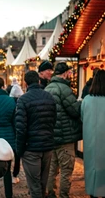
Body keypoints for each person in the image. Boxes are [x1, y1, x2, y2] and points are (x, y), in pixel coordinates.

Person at [15, 71, 56, 198]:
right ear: (38, 81)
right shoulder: (49, 97)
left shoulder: (23, 100)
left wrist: (19, 150)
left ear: (25, 83)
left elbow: (21, 128)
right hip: (47, 146)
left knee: (34, 186)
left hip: (31, 148)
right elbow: (54, 121)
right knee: (42, 184)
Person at [45, 62, 82, 198]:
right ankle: (64, 195)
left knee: (52, 169)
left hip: (51, 136)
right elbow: (74, 110)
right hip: (65, 137)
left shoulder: (47, 88)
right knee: (66, 170)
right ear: (65, 73)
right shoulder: (64, 89)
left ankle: (51, 194)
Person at [81, 69, 105, 198]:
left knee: (92, 169)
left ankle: (93, 194)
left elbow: (82, 117)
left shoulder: (87, 100)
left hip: (90, 141)